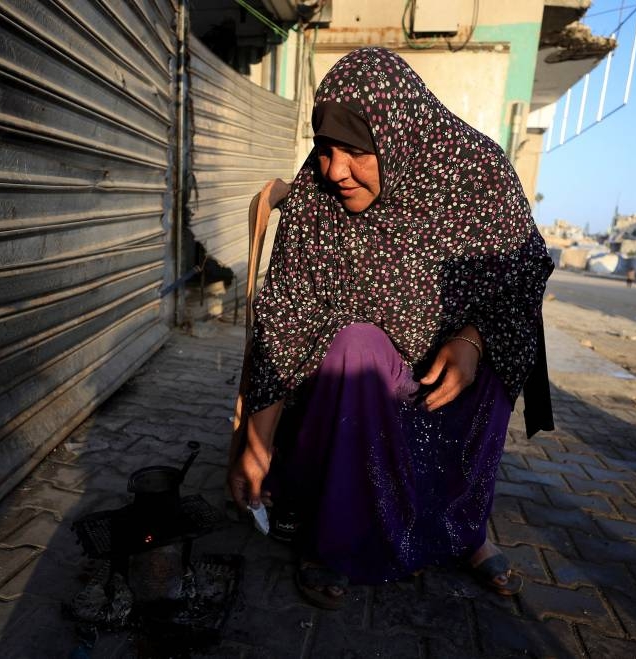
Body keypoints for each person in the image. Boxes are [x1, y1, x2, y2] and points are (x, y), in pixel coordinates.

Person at [228, 47, 554, 609]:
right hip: (367, 381)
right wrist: (255, 445)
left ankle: (462, 527)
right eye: (326, 150)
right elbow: (285, 318)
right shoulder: (317, 195)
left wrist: (472, 339)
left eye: (355, 151)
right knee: (353, 350)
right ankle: (330, 538)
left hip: (451, 367)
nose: (334, 171)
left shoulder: (475, 172)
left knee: (505, 355)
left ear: (399, 135)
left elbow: (521, 274)